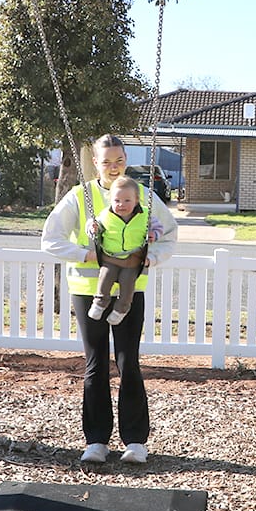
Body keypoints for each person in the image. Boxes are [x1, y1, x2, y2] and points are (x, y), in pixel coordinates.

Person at [42, 134, 178, 465]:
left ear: (126, 160)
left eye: (119, 161)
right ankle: (96, 440)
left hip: (130, 291)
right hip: (89, 292)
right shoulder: (81, 196)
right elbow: (51, 239)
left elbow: (169, 233)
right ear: (96, 164)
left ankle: (135, 440)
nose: (113, 168)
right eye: (106, 162)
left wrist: (152, 257)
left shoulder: (143, 195)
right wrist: (85, 254)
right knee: (96, 363)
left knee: (128, 360)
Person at [87, 175, 149, 326]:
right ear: (111, 201)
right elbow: (94, 227)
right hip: (111, 258)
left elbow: (158, 227)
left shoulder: (145, 215)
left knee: (128, 285)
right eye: (117, 201)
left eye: (127, 200)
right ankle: (100, 303)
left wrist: (154, 234)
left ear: (137, 200)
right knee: (105, 277)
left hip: (133, 260)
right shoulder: (105, 215)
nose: (121, 204)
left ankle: (121, 310)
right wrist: (93, 229)